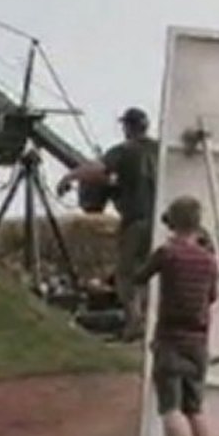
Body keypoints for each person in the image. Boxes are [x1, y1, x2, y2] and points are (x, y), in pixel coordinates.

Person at [57, 106, 159, 341]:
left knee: (126, 275)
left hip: (136, 220)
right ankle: (147, 321)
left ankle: (135, 324)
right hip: (162, 222)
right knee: (148, 272)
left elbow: (98, 169)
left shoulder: (125, 151)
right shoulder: (158, 149)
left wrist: (70, 176)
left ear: (127, 127)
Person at [135, 196, 218, 436]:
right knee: (195, 409)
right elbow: (212, 296)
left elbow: (140, 277)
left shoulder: (167, 254)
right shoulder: (208, 260)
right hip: (198, 341)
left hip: (170, 338)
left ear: (172, 223)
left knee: (170, 408)